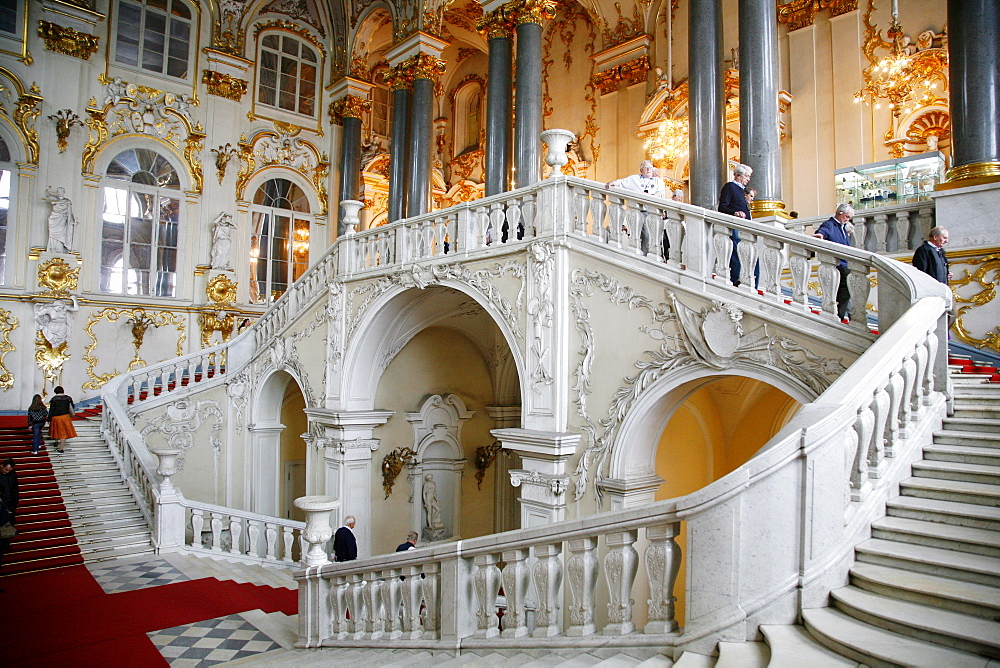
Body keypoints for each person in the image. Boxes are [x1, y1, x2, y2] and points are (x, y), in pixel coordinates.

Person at [814, 203, 855, 321]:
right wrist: (820, 235)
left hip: (845, 263)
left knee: (847, 293)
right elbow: (822, 231)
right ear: (839, 213)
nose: (847, 220)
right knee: (843, 293)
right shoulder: (830, 224)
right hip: (839, 265)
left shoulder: (843, 227)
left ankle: (846, 316)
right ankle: (839, 317)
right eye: (847, 217)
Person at [718, 164, 753, 285]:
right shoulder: (730, 187)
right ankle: (734, 279)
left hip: (744, 228)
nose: (748, 179)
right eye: (747, 176)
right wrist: (734, 213)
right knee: (736, 254)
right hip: (735, 227)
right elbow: (722, 207)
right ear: (738, 175)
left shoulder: (741, 190)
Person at [42, 186, 78, 253]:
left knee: (61, 235)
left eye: (61, 192)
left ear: (64, 192)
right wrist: (47, 190)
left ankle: (59, 249)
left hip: (62, 220)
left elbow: (70, 212)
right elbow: (47, 196)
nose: (60, 193)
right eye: (59, 192)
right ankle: (52, 248)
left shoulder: (67, 201)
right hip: (54, 218)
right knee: (52, 234)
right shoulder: (55, 199)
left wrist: (72, 221)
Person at [48, 385, 77, 453]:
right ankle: (61, 447)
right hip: (65, 416)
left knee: (56, 431)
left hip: (56, 417)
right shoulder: (68, 398)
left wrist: (49, 418)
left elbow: (51, 410)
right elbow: (72, 406)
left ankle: (58, 444)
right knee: (63, 433)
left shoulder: (54, 399)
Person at [0, 459, 17, 525]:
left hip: (9, 503)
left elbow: (14, 489)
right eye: (6, 469)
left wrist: (14, 504)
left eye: (9, 470)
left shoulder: (12, 475)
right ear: (1, 466)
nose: (7, 472)